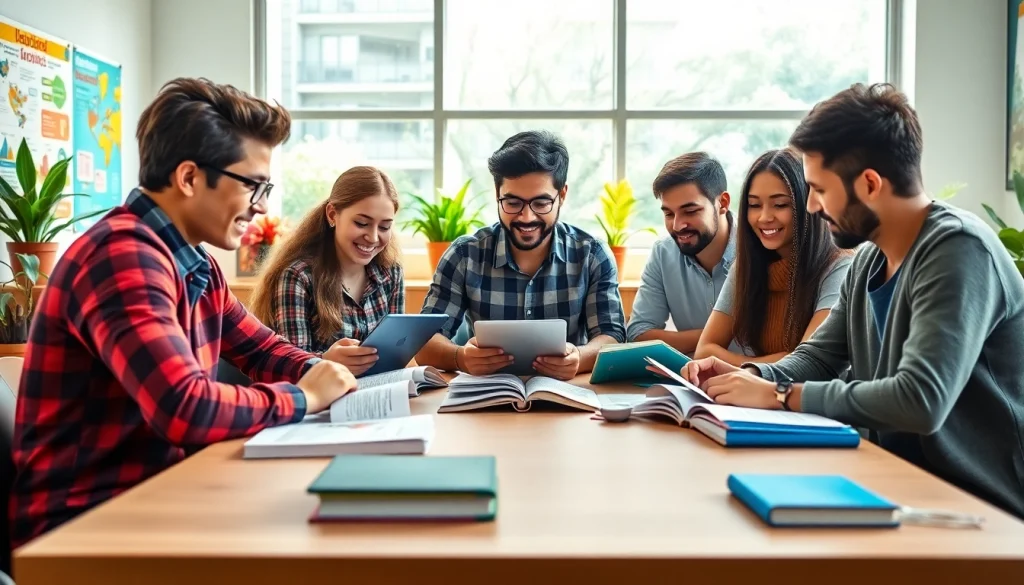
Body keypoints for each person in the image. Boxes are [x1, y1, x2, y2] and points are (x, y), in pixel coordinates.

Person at [9, 77, 359, 548]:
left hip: (158, 496)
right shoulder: (121, 257)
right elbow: (185, 407)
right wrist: (304, 398)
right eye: (253, 185)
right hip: (83, 528)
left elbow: (262, 350)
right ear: (190, 178)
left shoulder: (194, 263)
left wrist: (324, 373)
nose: (260, 206)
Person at [678, 83, 1024, 520]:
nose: (811, 206)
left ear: (870, 184)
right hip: (894, 483)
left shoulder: (958, 249)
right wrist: (743, 376)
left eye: (819, 189)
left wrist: (780, 394)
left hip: (982, 508)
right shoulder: (867, 261)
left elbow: (919, 400)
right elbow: (819, 358)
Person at [416, 130, 626, 380]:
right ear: (497, 194)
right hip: (486, 398)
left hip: (568, 396)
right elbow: (423, 341)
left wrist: (580, 358)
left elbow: (612, 336)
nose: (527, 218)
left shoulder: (592, 255)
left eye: (541, 203)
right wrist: (459, 357)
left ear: (562, 195)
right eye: (513, 203)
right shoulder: (465, 255)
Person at [694, 149, 852, 365]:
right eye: (754, 205)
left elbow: (809, 364)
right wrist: (754, 370)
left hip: (813, 397)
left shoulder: (839, 267)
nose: (765, 217)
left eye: (780, 205)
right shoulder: (746, 267)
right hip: (757, 394)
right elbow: (704, 351)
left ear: (808, 205)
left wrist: (738, 367)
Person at [249, 166, 404, 375]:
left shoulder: (390, 273)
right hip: (318, 399)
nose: (373, 237)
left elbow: (395, 353)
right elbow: (288, 364)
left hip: (377, 396)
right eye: (361, 223)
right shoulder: (298, 277)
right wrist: (326, 361)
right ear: (332, 214)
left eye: (385, 227)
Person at [625, 152, 736, 355]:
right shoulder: (663, 254)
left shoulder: (758, 249)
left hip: (757, 379)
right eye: (668, 213)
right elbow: (639, 334)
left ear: (723, 203)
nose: (677, 225)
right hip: (693, 380)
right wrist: (717, 336)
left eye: (690, 211)